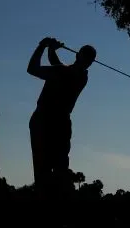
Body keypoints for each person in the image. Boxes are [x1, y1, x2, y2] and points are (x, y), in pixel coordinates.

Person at [27, 36, 96, 197]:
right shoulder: (83, 77)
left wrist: (42, 45)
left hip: (43, 121)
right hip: (62, 123)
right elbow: (58, 66)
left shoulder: (64, 72)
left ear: (78, 55)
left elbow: (32, 68)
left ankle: (47, 203)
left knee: (42, 168)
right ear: (90, 63)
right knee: (60, 168)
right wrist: (51, 50)